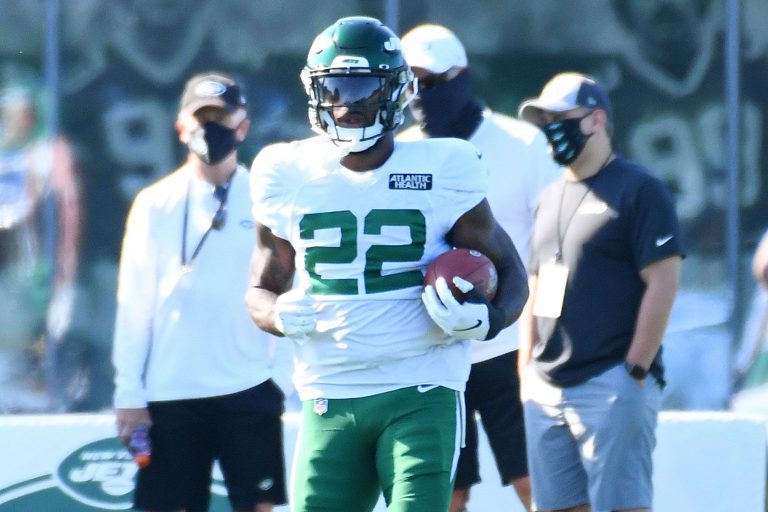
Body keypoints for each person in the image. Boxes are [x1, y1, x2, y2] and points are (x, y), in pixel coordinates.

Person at [246, 16, 529, 512]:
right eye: (335, 89)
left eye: (364, 89)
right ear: (315, 93)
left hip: (421, 386)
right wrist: (275, 314)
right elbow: (261, 286)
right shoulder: (285, 172)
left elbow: (510, 270)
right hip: (329, 391)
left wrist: (491, 319)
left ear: (396, 92)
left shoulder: (443, 167)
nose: (348, 105)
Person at [398, 24, 562, 512]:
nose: (421, 95)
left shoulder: (523, 144)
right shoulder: (399, 152)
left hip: (512, 347)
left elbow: (555, 250)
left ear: (462, 76)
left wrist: (548, 329)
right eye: (411, 84)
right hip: (432, 352)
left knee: (538, 486)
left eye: (433, 81)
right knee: (443, 494)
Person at [112, 71, 288, 512]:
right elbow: (134, 306)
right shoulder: (154, 203)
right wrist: (129, 393)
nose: (210, 129)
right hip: (171, 393)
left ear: (243, 127)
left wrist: (287, 382)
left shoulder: (268, 199)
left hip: (249, 385)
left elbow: (289, 292)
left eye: (220, 118)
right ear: (181, 127)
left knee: (259, 506)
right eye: (201, 118)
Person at [516, 72, 684, 512]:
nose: (551, 128)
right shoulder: (550, 196)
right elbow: (538, 284)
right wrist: (526, 369)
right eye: (544, 120)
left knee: (620, 505)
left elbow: (664, 280)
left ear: (596, 120)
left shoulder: (640, 189)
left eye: (560, 118)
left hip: (610, 381)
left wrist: (634, 371)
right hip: (546, 387)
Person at [0, 79, 82, 412]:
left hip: (32, 270)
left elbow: (66, 212)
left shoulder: (46, 152)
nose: (16, 120)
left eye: (24, 112)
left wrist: (65, 275)